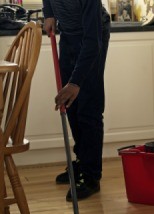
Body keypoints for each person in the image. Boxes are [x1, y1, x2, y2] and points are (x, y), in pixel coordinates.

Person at [42, 0, 111, 201]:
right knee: (70, 104)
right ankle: (81, 160)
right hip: (69, 34)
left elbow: (92, 42)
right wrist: (49, 14)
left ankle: (91, 176)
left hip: (93, 36)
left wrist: (75, 83)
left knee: (88, 107)